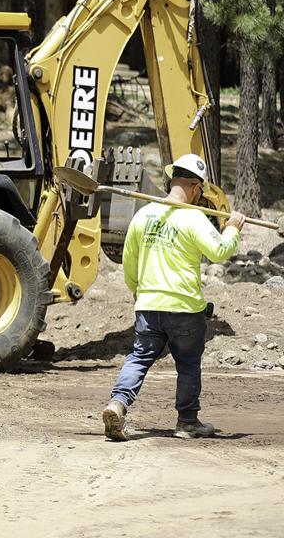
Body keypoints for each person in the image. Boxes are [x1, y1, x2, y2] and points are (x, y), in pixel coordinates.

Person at [101, 154, 243, 441]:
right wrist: (232, 228)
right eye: (200, 191)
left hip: (148, 306)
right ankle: (187, 422)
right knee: (188, 364)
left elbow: (130, 261)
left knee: (139, 357)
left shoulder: (144, 215)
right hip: (184, 309)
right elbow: (219, 251)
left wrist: (136, 289)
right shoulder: (193, 218)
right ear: (194, 186)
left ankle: (117, 404)